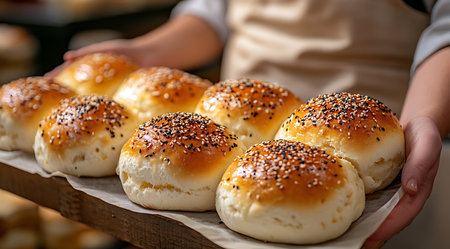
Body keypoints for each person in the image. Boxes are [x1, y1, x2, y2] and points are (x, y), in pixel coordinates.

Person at [48, 0, 450, 248]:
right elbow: (214, 10)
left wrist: (425, 116)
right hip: (233, 118)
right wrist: (145, 52)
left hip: (387, 127)